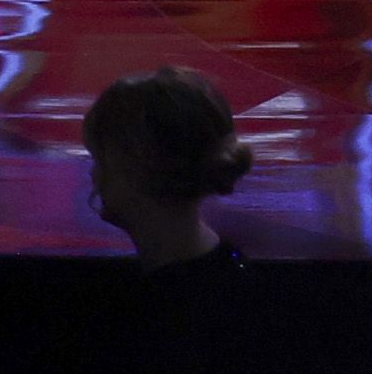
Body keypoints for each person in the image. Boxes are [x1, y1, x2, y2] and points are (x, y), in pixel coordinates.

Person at [85, 64, 253, 271]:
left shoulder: (166, 296)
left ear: (136, 169)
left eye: (100, 160)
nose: (94, 175)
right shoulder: (227, 273)